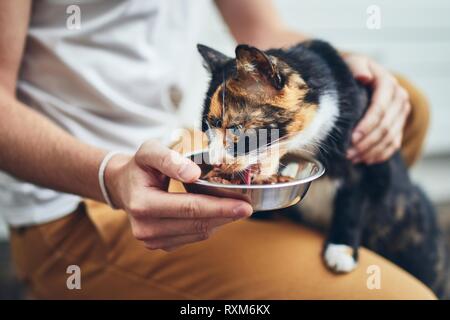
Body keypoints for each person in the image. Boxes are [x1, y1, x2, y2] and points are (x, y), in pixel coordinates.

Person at [1, 0, 433, 299]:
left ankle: (333, 225)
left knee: (408, 104)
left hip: (178, 141)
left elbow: (262, 32)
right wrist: (110, 178)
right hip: (83, 197)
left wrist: (349, 67)